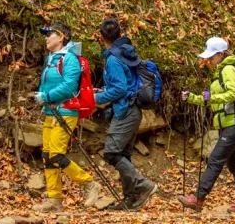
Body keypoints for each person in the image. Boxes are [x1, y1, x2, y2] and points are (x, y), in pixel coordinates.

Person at [33, 22, 113, 212]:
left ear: (61, 37)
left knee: (57, 155)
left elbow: (70, 86)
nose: (46, 37)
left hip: (66, 111)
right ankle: (54, 199)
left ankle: (89, 183)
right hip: (50, 112)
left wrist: (45, 96)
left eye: (49, 34)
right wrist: (43, 97)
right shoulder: (52, 58)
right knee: (47, 155)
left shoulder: (69, 59)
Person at [177, 36, 235, 213]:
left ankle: (198, 198)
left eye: (211, 57)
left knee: (215, 159)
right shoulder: (219, 72)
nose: (209, 60)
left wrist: (211, 97)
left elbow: (233, 93)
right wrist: (192, 98)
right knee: (234, 164)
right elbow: (210, 100)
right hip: (227, 124)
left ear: (220, 54)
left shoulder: (227, 69)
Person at [93, 17, 158, 210]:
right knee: (124, 155)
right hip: (132, 109)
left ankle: (143, 185)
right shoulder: (125, 52)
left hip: (125, 111)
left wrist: (95, 99)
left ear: (101, 37)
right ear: (119, 34)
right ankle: (131, 199)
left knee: (112, 152)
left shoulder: (113, 59)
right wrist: (103, 90)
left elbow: (120, 89)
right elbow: (123, 83)